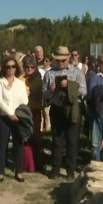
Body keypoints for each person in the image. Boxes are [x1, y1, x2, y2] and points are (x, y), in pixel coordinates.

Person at [43, 46, 86, 179]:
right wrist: (50, 90)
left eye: (63, 60)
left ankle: (70, 170)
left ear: (68, 58)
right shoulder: (49, 73)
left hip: (72, 108)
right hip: (56, 108)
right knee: (57, 140)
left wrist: (70, 86)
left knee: (72, 141)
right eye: (58, 60)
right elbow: (43, 95)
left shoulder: (77, 72)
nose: (61, 63)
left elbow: (84, 91)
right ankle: (55, 168)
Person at [0, 57, 28, 182]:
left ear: (16, 68)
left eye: (13, 66)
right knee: (2, 145)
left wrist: (18, 113)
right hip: (3, 117)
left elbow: (25, 100)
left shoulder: (20, 83)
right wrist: (10, 113)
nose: (11, 69)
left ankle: (18, 171)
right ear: (4, 68)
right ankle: (0, 172)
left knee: (18, 144)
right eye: (8, 66)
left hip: (18, 117)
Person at [21, 56, 43, 172]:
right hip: (23, 112)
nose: (29, 69)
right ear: (23, 67)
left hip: (35, 110)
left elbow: (42, 96)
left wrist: (32, 94)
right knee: (25, 138)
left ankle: (37, 163)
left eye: (32, 67)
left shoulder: (39, 80)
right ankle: (27, 164)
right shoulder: (20, 80)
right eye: (27, 67)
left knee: (36, 137)